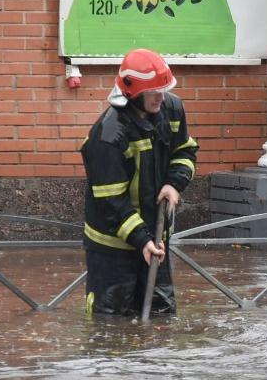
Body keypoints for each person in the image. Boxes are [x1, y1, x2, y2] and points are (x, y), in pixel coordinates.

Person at [81, 48, 198, 316]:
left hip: (155, 238)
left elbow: (185, 151)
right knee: (110, 321)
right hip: (112, 248)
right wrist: (142, 239)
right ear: (133, 93)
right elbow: (111, 201)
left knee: (161, 314)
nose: (161, 97)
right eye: (153, 92)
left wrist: (174, 184)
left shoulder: (171, 109)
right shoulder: (107, 136)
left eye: (164, 89)